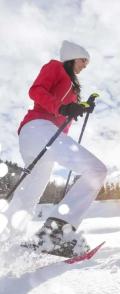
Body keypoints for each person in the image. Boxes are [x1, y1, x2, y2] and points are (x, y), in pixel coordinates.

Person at [1, 40, 107, 257]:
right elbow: (36, 91)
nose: (85, 65)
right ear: (71, 56)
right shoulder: (55, 67)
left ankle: (6, 246)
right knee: (96, 170)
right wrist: (63, 107)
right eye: (83, 60)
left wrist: (82, 106)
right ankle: (57, 233)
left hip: (39, 135)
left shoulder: (71, 85)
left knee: (30, 194)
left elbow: (64, 108)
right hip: (39, 128)